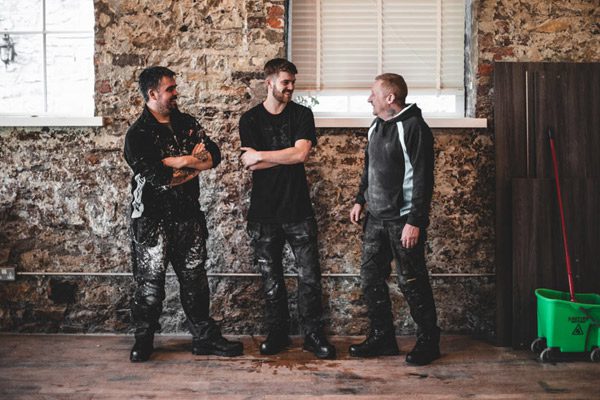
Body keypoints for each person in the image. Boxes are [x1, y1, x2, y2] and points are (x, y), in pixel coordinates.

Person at [124, 66, 243, 362]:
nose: (176, 93)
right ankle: (144, 339)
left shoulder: (187, 123)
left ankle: (204, 337)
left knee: (195, 280)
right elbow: (160, 178)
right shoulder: (138, 135)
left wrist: (182, 161)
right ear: (152, 94)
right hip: (151, 219)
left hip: (187, 215)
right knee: (150, 284)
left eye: (175, 88)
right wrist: (193, 160)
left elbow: (214, 155)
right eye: (170, 89)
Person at [238, 58, 336, 359]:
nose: (291, 88)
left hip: (298, 209)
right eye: (285, 83)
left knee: (309, 277)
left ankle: (313, 335)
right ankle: (277, 333)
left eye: (292, 82)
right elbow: (249, 164)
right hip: (264, 212)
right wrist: (284, 154)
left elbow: (301, 154)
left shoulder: (302, 114)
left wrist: (263, 155)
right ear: (269, 83)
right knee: (271, 278)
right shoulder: (250, 120)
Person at [348, 73, 441, 365]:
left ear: (390, 98)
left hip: (403, 221)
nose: (368, 99)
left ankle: (429, 341)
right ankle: (382, 338)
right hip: (375, 219)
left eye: (373, 94)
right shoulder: (376, 125)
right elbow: (369, 167)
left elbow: (424, 178)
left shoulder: (414, 127)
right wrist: (360, 199)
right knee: (371, 278)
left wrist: (415, 221)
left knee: (411, 281)